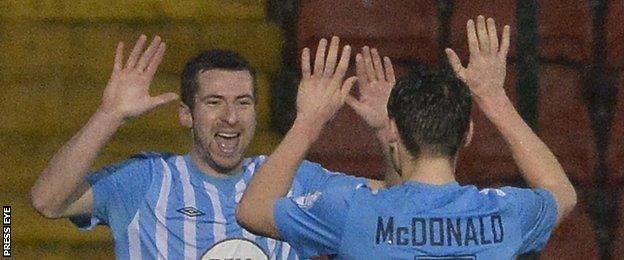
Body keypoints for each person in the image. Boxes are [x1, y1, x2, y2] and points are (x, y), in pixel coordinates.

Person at [237, 16, 577, 259]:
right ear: (468, 134)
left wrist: (308, 122)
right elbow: (561, 191)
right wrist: (494, 99)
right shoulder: (505, 213)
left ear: (395, 131)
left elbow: (252, 210)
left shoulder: (350, 210)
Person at [29, 34, 390, 259]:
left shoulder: (296, 180)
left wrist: (388, 131)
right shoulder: (145, 180)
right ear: (186, 114)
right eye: (214, 102)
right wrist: (109, 115)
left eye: (243, 102)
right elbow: (47, 200)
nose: (231, 117)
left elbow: (397, 202)